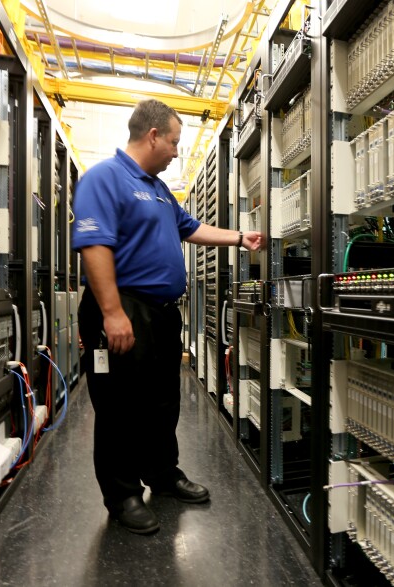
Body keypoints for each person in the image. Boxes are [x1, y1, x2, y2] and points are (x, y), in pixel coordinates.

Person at [71, 99, 263, 534]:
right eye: (174, 142)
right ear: (153, 135)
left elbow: (190, 227)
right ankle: (122, 494)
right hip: (122, 308)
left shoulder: (159, 189)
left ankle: (162, 474)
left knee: (162, 400)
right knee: (119, 407)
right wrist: (112, 313)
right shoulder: (105, 178)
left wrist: (239, 238)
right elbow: (94, 246)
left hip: (160, 314)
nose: (177, 152)